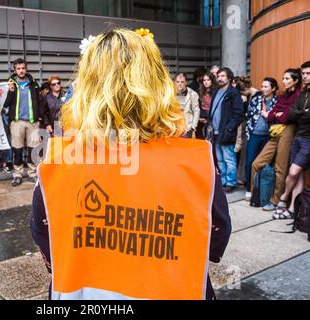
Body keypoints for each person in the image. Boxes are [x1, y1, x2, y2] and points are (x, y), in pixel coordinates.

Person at [31, 28, 231, 300]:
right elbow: (216, 235)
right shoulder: (197, 160)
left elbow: (44, 232)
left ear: (86, 84)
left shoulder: (57, 159)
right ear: (157, 81)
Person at [251, 68, 302, 211]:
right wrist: (276, 114)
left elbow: (286, 116)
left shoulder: (298, 96)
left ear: (295, 81)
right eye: (283, 78)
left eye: (287, 78)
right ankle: (257, 195)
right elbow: (272, 113)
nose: (284, 81)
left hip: (288, 130)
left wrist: (276, 115)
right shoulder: (282, 95)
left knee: (280, 167)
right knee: (257, 163)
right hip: (275, 131)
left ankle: (275, 201)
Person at [4, 58, 51, 186]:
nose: (21, 71)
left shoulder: (33, 84)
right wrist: (10, 92)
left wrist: (40, 118)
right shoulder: (10, 84)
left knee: (33, 149)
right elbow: (5, 104)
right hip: (17, 122)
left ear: (26, 68)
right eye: (18, 68)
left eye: (23, 68)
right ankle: (17, 175)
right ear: (15, 70)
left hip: (32, 122)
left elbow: (41, 102)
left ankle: (32, 174)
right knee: (17, 150)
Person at [275, 61, 310, 219]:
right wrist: (302, 112)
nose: (305, 76)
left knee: (293, 171)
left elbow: (298, 114)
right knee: (299, 175)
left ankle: (283, 197)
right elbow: (290, 113)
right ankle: (292, 209)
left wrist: (299, 113)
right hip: (298, 136)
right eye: (303, 73)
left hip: (308, 140)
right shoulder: (303, 92)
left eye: (308, 74)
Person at [208, 67, 244, 193]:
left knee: (229, 158)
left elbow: (239, 113)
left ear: (229, 78)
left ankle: (231, 182)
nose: (220, 78)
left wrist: (229, 128)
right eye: (219, 76)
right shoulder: (217, 91)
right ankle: (223, 181)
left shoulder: (233, 93)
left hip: (226, 131)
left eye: (223, 76)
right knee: (220, 159)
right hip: (216, 132)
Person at [244, 77, 278, 201]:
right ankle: (249, 189)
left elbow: (277, 118)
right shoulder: (256, 99)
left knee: (265, 163)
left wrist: (268, 115)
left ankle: (262, 189)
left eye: (266, 86)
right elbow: (248, 115)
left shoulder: (277, 101)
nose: (263, 89)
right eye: (262, 86)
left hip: (269, 136)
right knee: (250, 162)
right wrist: (249, 129)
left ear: (273, 88)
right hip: (254, 135)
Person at [174, 73, 200, 138]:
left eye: (182, 82)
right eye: (178, 82)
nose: (180, 84)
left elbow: (196, 112)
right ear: (174, 82)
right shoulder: (170, 93)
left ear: (186, 82)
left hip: (187, 129)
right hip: (174, 129)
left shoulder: (193, 94)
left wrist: (193, 128)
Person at [197, 71, 216, 139]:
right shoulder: (200, 91)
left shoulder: (215, 92)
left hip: (212, 120)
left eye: (208, 80)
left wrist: (208, 120)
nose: (206, 82)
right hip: (201, 120)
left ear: (212, 81)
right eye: (204, 80)